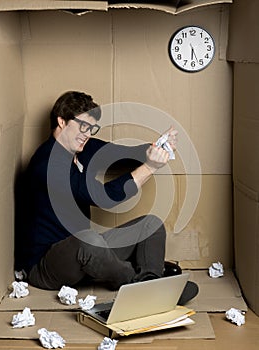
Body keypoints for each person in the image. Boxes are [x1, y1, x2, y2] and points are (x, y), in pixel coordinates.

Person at [15, 91, 198, 304]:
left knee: (151, 225)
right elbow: (104, 197)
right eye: (83, 126)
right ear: (62, 122)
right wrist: (150, 167)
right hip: (46, 264)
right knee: (90, 241)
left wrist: (156, 148)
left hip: (83, 252)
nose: (88, 133)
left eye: (91, 128)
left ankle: (151, 279)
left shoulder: (80, 148)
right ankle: (150, 287)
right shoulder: (48, 164)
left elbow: (120, 154)